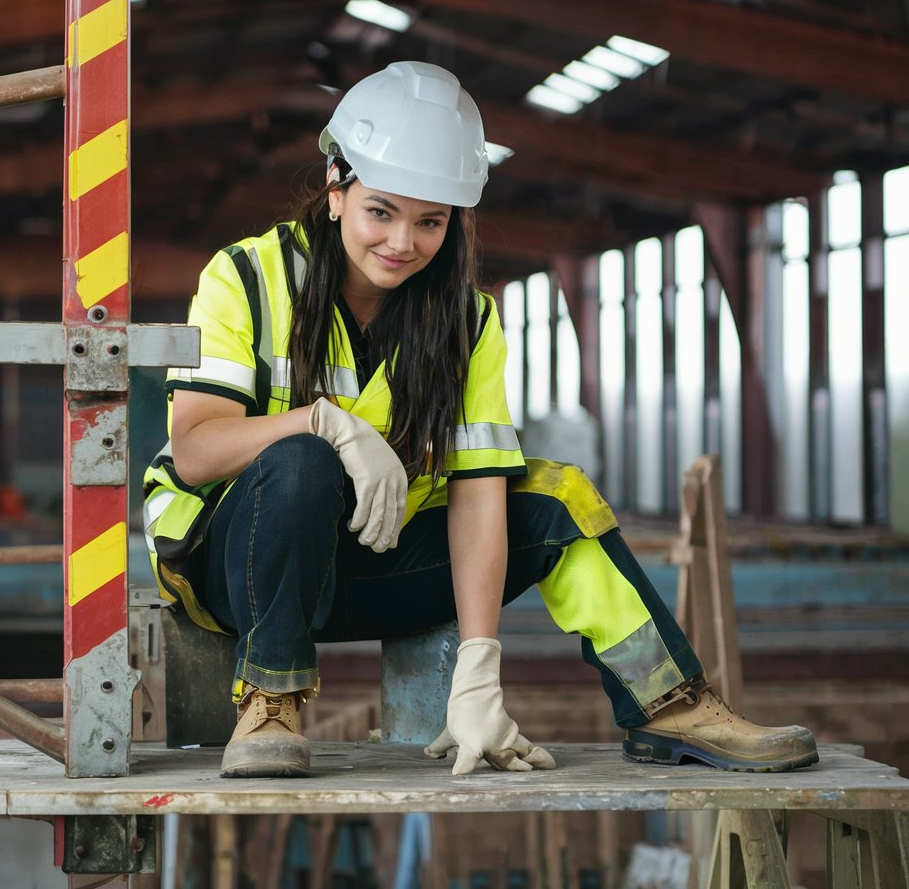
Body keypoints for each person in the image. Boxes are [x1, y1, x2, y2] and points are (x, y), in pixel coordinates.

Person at [143, 61, 818, 779]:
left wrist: (479, 666)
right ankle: (270, 701)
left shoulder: (466, 321)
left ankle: (669, 705)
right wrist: (324, 422)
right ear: (337, 188)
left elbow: (476, 494)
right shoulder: (247, 277)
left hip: (372, 569)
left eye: (430, 221)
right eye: (382, 211)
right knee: (300, 462)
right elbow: (195, 450)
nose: (403, 241)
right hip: (238, 570)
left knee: (557, 497)